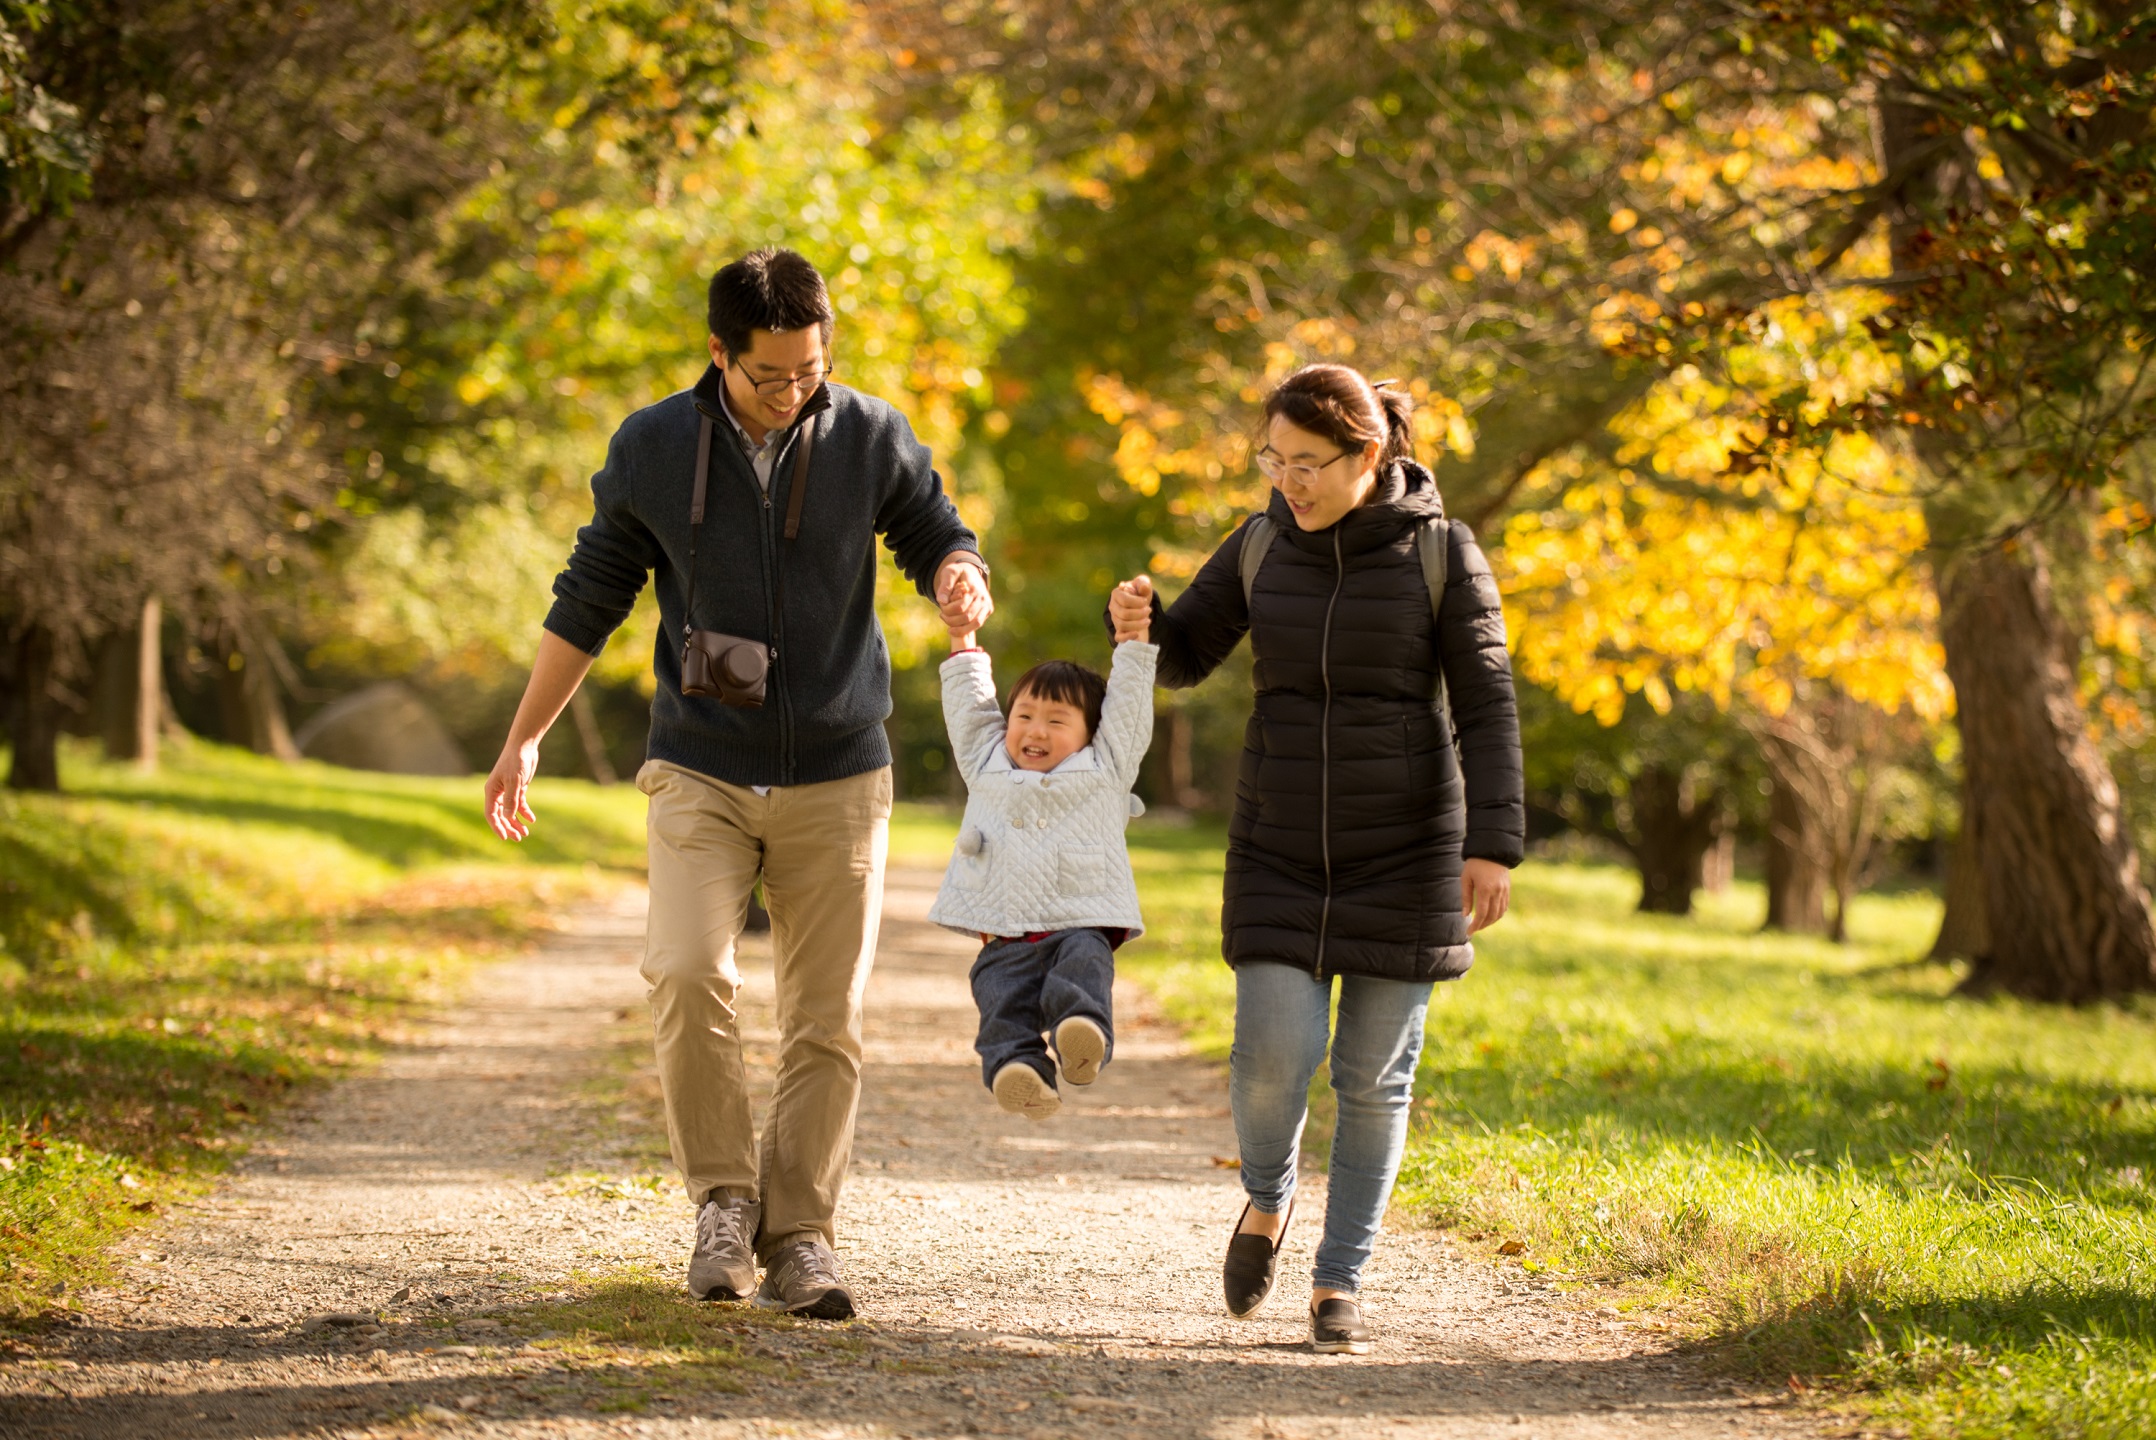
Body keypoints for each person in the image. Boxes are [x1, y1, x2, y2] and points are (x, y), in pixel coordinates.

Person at [483, 247, 992, 1321]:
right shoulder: (655, 447)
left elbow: (933, 526)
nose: (795, 393)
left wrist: (958, 573)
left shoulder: (864, 431)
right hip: (701, 763)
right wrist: (525, 736)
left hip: (838, 768)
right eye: (772, 376)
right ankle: (721, 1200)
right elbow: (589, 598)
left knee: (823, 1018)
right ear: (717, 354)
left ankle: (800, 1235)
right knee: (681, 969)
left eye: (812, 370)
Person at [1107, 362, 1523, 1355]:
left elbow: (1486, 702)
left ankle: (1338, 1283)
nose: (1284, 481)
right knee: (1268, 1060)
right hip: (1278, 840)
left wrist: (1492, 845)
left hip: (1410, 847)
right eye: (1272, 459)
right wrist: (1138, 628)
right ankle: (1266, 1197)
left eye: (1305, 463)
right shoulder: (1259, 543)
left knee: (1373, 1080)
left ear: (1367, 456)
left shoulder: (1441, 554)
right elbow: (1185, 652)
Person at [926, 611, 1157, 1121]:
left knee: (1082, 967)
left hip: (1078, 922)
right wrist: (963, 637)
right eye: (1024, 716)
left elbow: (1131, 710)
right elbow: (969, 708)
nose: (1036, 730)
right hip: (1005, 934)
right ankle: (1018, 1070)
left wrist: (1135, 644)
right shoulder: (986, 762)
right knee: (998, 1003)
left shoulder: (1106, 768)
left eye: (1056, 720)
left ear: (1091, 733)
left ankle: (1082, 1030)